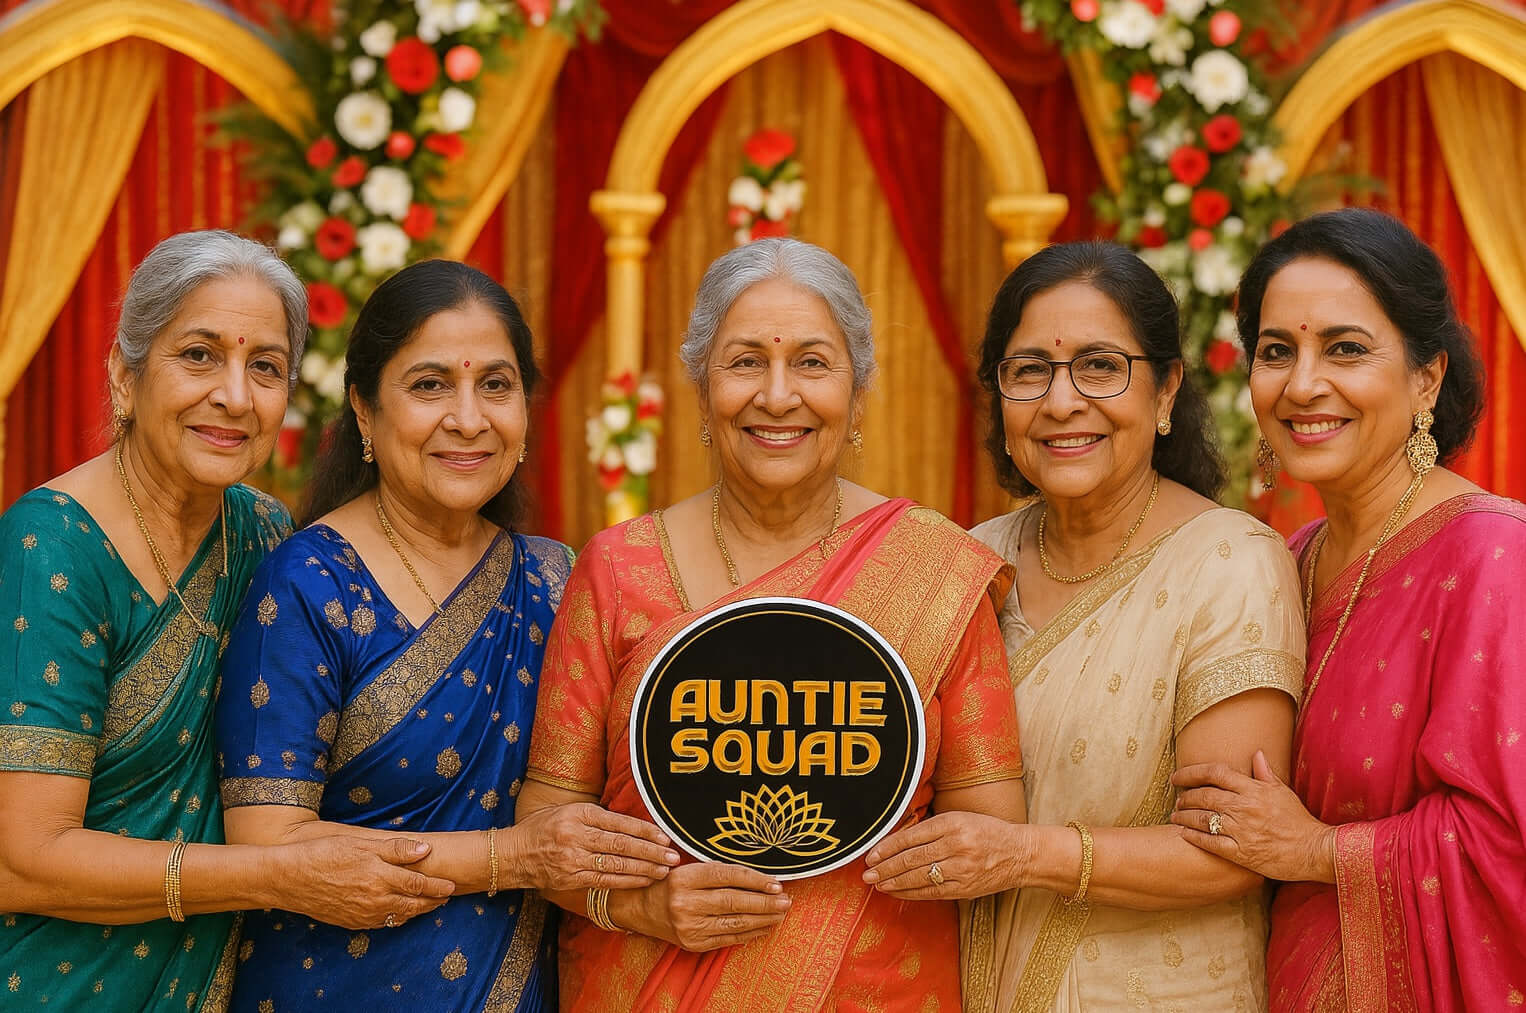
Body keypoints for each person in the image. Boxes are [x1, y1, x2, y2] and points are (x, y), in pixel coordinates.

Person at [517, 238, 1025, 1010]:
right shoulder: (617, 569)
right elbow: (546, 823)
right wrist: (642, 905)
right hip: (648, 980)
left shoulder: (934, 570)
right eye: (746, 360)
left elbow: (993, 830)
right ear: (701, 388)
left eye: (813, 363)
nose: (778, 395)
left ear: (857, 397)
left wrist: (893, 857)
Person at [0, 231, 458, 1011]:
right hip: (55, 984)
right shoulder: (52, 550)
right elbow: (23, 857)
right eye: (200, 355)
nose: (237, 396)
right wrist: (275, 875)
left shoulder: (264, 535)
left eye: (266, 367)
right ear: (123, 373)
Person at [212, 261, 677, 1012]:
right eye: (430, 385)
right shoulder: (308, 582)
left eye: (495, 384)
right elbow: (267, 845)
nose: (469, 417)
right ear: (364, 410)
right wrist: (515, 856)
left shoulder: (556, 579)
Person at [866, 241, 1305, 1010]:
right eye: (1029, 370)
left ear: (1166, 392)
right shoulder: (968, 561)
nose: (1062, 401)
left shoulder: (1231, 561)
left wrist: (1020, 854)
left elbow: (1234, 848)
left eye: (1100, 366)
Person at [1171, 208, 1526, 1011]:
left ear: (1426, 376)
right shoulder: (1287, 561)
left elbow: (1511, 840)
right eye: (1275, 352)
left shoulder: (1493, 556)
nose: (1301, 385)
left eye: (1345, 348)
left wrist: (1318, 850)